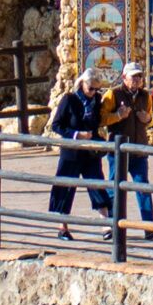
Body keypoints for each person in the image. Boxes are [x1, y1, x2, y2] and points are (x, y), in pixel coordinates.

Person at [45, 69, 110, 235]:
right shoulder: (69, 99)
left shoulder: (96, 100)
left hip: (89, 152)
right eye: (91, 88)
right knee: (67, 186)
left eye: (97, 89)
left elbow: (96, 124)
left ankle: (106, 224)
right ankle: (62, 227)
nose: (93, 92)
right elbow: (57, 125)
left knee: (96, 183)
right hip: (71, 152)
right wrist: (76, 134)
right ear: (82, 84)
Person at [103, 62, 153, 235]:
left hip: (139, 149)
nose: (136, 80)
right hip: (119, 151)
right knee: (114, 187)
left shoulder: (145, 96)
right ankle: (113, 225)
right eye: (133, 76)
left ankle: (149, 226)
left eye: (139, 76)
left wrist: (147, 119)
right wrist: (118, 116)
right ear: (124, 78)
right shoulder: (113, 94)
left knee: (143, 187)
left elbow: (150, 119)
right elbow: (102, 118)